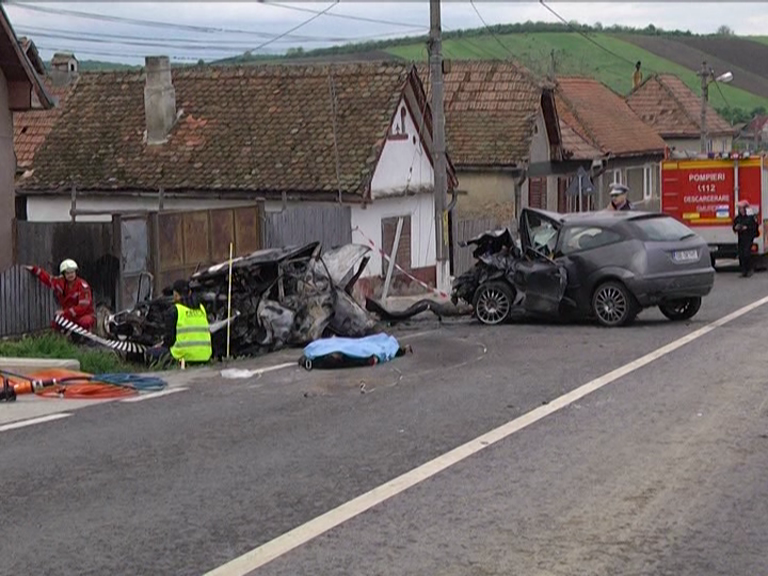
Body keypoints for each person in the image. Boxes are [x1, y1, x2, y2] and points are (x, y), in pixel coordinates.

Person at [146, 279, 212, 367]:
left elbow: (170, 340)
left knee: (150, 352)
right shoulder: (201, 308)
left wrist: (161, 345)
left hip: (183, 356)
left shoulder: (175, 310)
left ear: (176, 295)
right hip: (205, 356)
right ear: (190, 292)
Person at [25, 259, 95, 331]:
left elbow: (83, 307)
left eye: (72, 272)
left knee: (85, 322)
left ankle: (85, 336)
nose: (70, 275)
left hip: (83, 314)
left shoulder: (83, 286)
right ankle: (66, 336)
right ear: (63, 274)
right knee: (56, 322)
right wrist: (35, 269)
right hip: (69, 315)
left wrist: (65, 312)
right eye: (68, 273)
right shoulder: (60, 282)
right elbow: (48, 279)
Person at [733, 199, 759, 277]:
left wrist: (747, 228)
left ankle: (749, 269)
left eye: (741, 208)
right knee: (741, 254)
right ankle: (743, 271)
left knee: (746, 253)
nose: (740, 210)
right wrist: (736, 228)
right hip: (741, 238)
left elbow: (754, 227)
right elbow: (734, 226)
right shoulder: (738, 218)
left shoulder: (750, 218)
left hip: (748, 238)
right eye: (739, 208)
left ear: (745, 208)